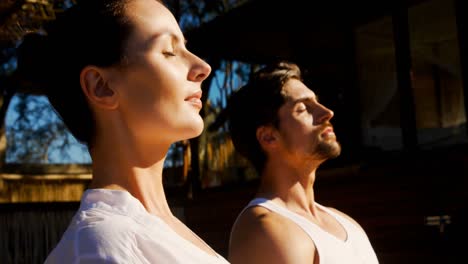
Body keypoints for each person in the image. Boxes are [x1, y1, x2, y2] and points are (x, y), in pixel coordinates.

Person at [16, 0, 230, 263]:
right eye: (169, 51)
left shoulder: (154, 229)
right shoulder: (100, 248)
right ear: (101, 86)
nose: (203, 67)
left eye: (186, 47)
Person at [227, 61, 379, 264]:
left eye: (317, 102)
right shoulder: (266, 229)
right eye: (303, 108)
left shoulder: (347, 224)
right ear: (269, 137)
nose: (327, 113)